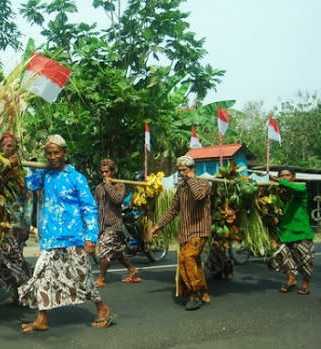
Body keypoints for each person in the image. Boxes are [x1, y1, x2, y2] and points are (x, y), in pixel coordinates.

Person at [18, 134, 113, 333]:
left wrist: (90, 237)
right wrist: (13, 165)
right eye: (49, 153)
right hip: (51, 237)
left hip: (74, 237)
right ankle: (41, 318)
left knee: (81, 277)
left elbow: (89, 208)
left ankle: (102, 308)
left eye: (56, 153)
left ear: (64, 153)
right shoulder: (45, 175)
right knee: (41, 275)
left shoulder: (76, 178)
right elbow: (27, 183)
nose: (53, 157)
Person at [151, 156, 211, 311]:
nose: (182, 174)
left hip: (199, 230)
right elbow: (172, 210)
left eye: (184, 170)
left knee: (188, 257)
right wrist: (159, 225)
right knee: (192, 261)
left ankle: (194, 293)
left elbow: (198, 195)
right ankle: (203, 291)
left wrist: (191, 179)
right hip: (185, 232)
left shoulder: (203, 184)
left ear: (192, 169)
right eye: (179, 171)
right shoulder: (181, 188)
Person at [0, 132, 33, 306]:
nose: (6, 149)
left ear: (16, 148)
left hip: (15, 221)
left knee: (13, 258)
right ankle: (17, 295)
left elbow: (29, 198)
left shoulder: (23, 169)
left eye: (10, 146)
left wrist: (26, 224)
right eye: (4, 145)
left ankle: (31, 290)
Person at [94, 159, 140, 287]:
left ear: (112, 172)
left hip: (114, 224)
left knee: (104, 250)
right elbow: (96, 205)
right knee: (117, 252)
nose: (104, 174)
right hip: (102, 224)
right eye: (102, 172)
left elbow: (118, 200)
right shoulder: (98, 188)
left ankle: (101, 278)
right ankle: (132, 269)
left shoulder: (119, 185)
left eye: (107, 172)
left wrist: (108, 185)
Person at [269, 167, 314, 295]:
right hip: (285, 232)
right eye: (282, 176)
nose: (284, 178)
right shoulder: (282, 196)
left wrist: (278, 180)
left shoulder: (300, 191)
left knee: (305, 260)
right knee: (281, 256)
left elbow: (299, 188)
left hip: (301, 232)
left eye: (287, 175)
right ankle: (291, 279)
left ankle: (306, 283)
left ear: (293, 177)